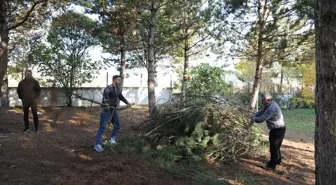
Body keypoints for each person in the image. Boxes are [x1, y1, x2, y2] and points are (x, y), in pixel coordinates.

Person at [94, 75, 132, 152]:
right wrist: (107, 104)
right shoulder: (108, 88)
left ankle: (112, 140)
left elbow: (120, 96)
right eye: (118, 80)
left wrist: (127, 102)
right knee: (102, 128)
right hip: (106, 110)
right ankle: (97, 145)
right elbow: (105, 98)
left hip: (113, 110)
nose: (119, 81)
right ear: (114, 80)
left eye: (120, 80)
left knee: (117, 125)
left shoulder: (117, 88)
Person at [249, 93, 286, 170]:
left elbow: (262, 118)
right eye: (262, 100)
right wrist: (254, 115)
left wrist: (254, 119)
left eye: (263, 100)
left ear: (268, 100)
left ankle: (271, 166)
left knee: (274, 148)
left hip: (277, 130)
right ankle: (278, 161)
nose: (262, 102)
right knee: (276, 147)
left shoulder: (272, 108)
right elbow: (261, 111)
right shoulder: (269, 104)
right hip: (278, 129)